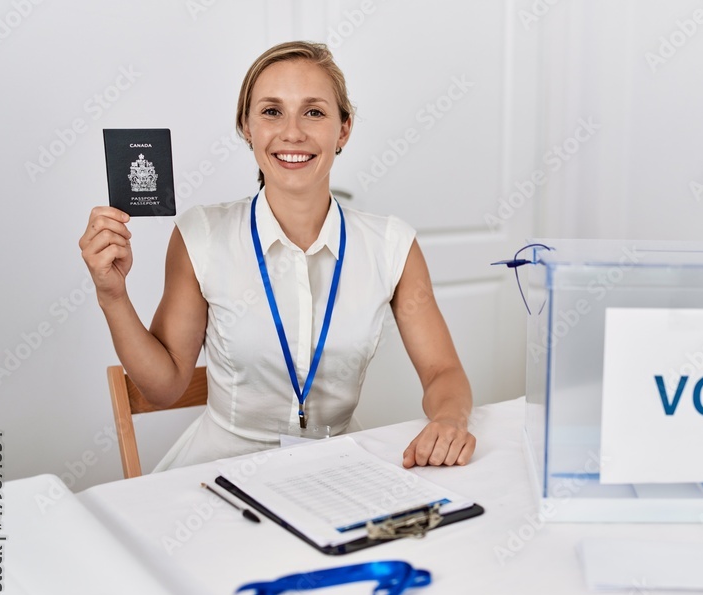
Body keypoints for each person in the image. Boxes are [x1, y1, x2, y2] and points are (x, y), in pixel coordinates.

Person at [79, 41, 476, 471]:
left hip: (340, 468)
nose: (292, 132)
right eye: (271, 111)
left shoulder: (392, 245)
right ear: (246, 126)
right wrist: (112, 295)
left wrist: (449, 419)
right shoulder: (201, 236)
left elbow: (442, 372)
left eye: (314, 111)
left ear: (343, 129)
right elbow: (165, 387)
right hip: (221, 474)